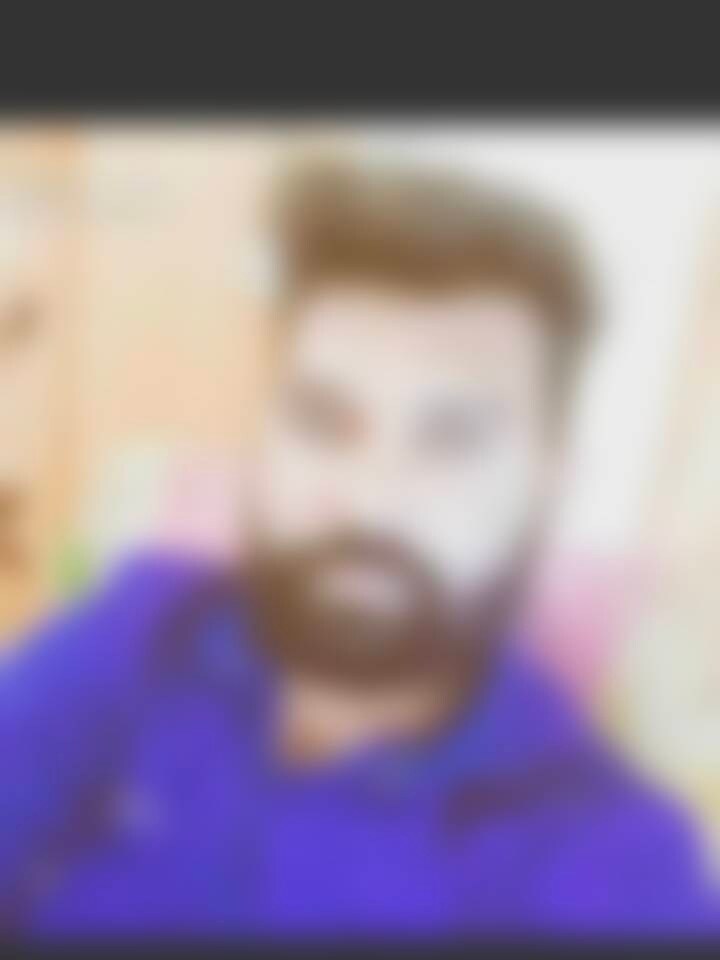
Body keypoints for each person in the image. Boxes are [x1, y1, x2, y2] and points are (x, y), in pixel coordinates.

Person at [1, 157, 717, 940]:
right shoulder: (148, 625)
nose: (370, 498)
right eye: (321, 419)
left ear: (548, 482)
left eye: (452, 440)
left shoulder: (616, 862)